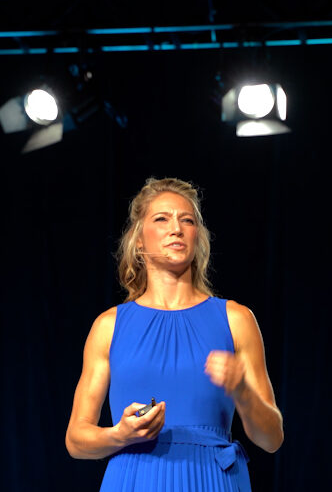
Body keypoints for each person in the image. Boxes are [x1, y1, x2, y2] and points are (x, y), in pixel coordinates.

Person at [65, 177, 284, 491]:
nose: (177, 228)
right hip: (134, 479)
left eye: (187, 220)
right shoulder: (109, 326)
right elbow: (75, 439)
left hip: (213, 480)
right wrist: (120, 435)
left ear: (198, 236)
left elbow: (273, 439)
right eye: (161, 219)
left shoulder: (236, 319)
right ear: (139, 239)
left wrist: (244, 391)